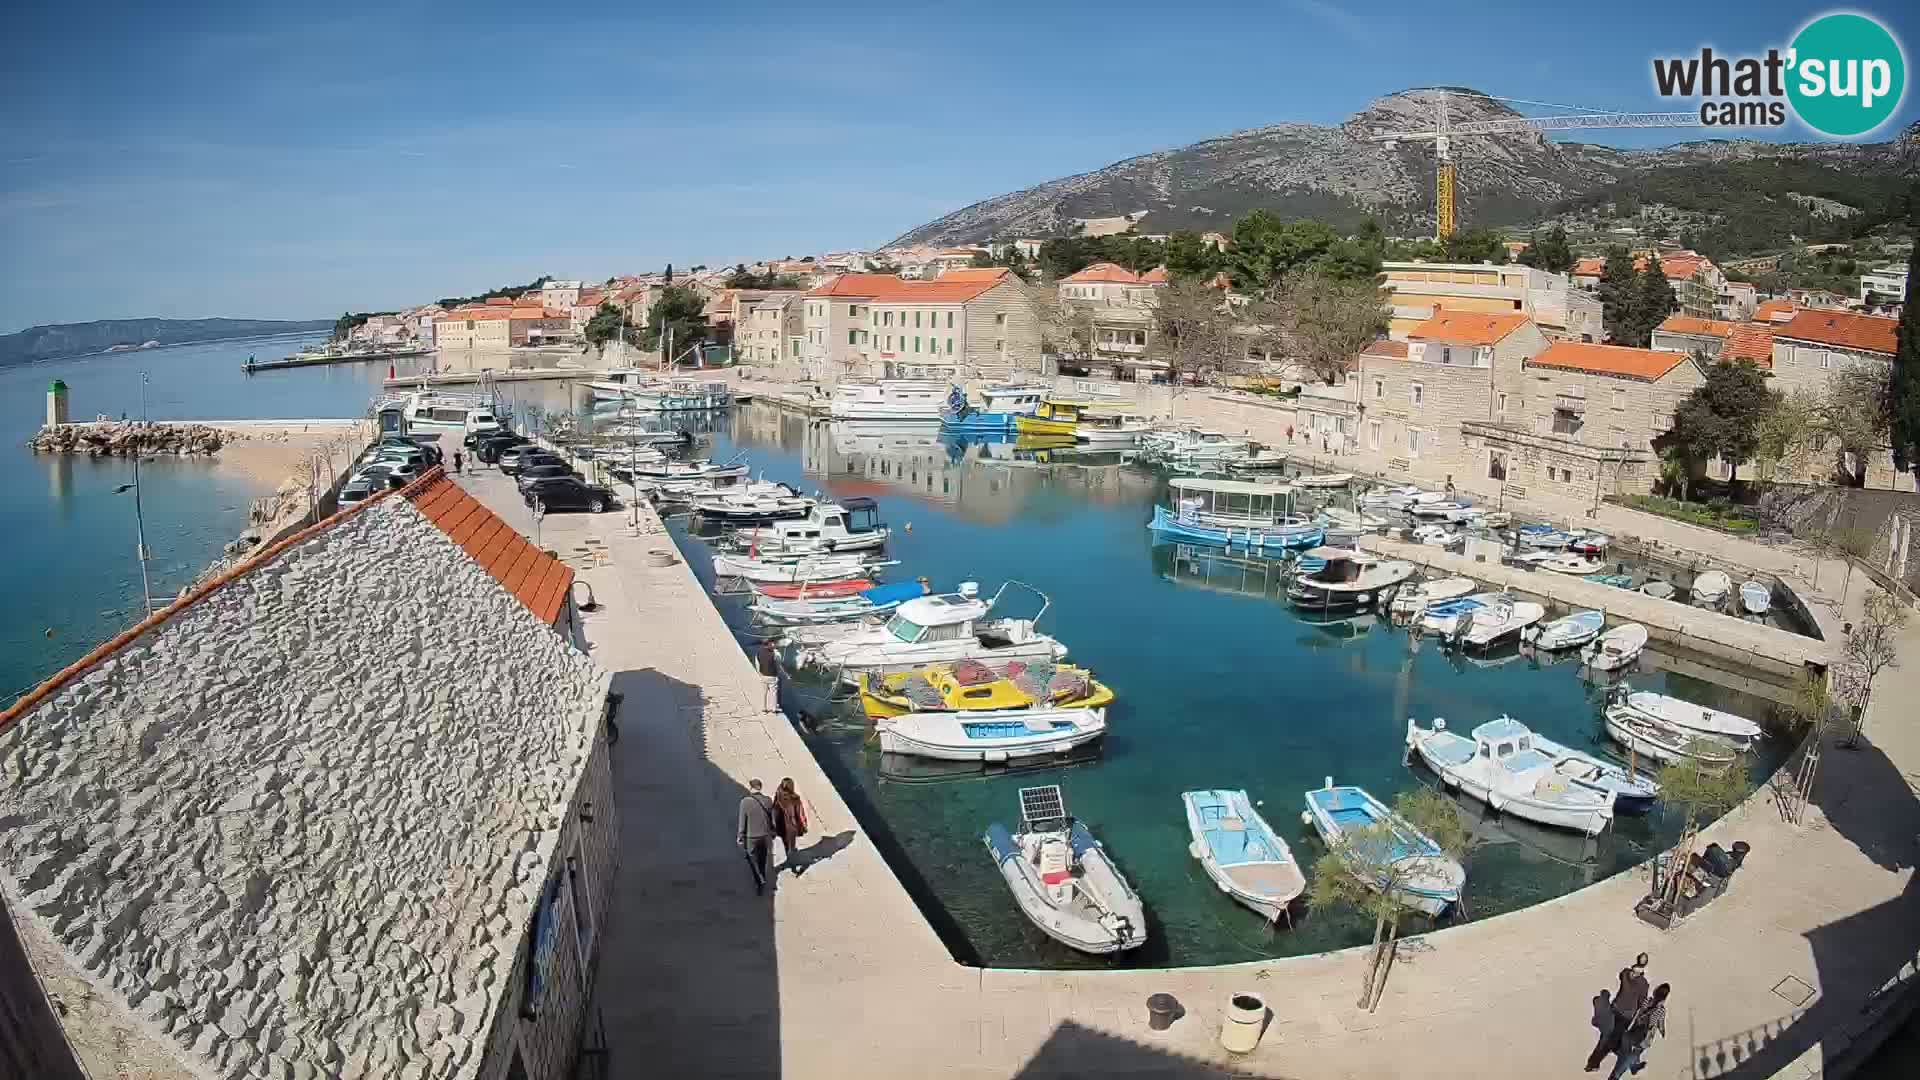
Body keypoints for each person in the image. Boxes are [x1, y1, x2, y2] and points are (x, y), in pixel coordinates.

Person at [1586, 953, 1651, 1072]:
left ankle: (1594, 1062)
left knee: (1610, 1038)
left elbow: (1641, 1003)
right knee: (1608, 1038)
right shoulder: (1630, 976)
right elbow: (1623, 976)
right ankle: (1598, 1061)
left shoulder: (1640, 982)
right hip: (1618, 1010)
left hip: (1623, 1014)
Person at [1608, 983, 1669, 1079]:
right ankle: (1615, 1076)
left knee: (1627, 1054)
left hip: (1633, 1030)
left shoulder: (1647, 1001)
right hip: (1644, 1036)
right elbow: (1660, 1025)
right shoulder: (1661, 1010)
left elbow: (1638, 1012)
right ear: (1665, 997)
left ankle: (1634, 1067)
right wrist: (1663, 1032)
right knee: (1630, 1056)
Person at [736, 779, 776, 894]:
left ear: (751, 788)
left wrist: (740, 836)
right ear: (760, 787)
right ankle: (762, 876)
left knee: (751, 859)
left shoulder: (745, 802)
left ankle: (760, 880)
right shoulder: (768, 800)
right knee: (762, 859)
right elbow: (772, 819)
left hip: (751, 837)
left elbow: (742, 822)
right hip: (765, 835)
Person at [772, 778, 809, 874]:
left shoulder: (778, 794)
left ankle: (788, 854)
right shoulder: (795, 799)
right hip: (791, 827)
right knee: (791, 847)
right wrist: (804, 825)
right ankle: (793, 867)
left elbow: (774, 808)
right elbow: (801, 814)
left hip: (780, 825)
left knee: (785, 844)